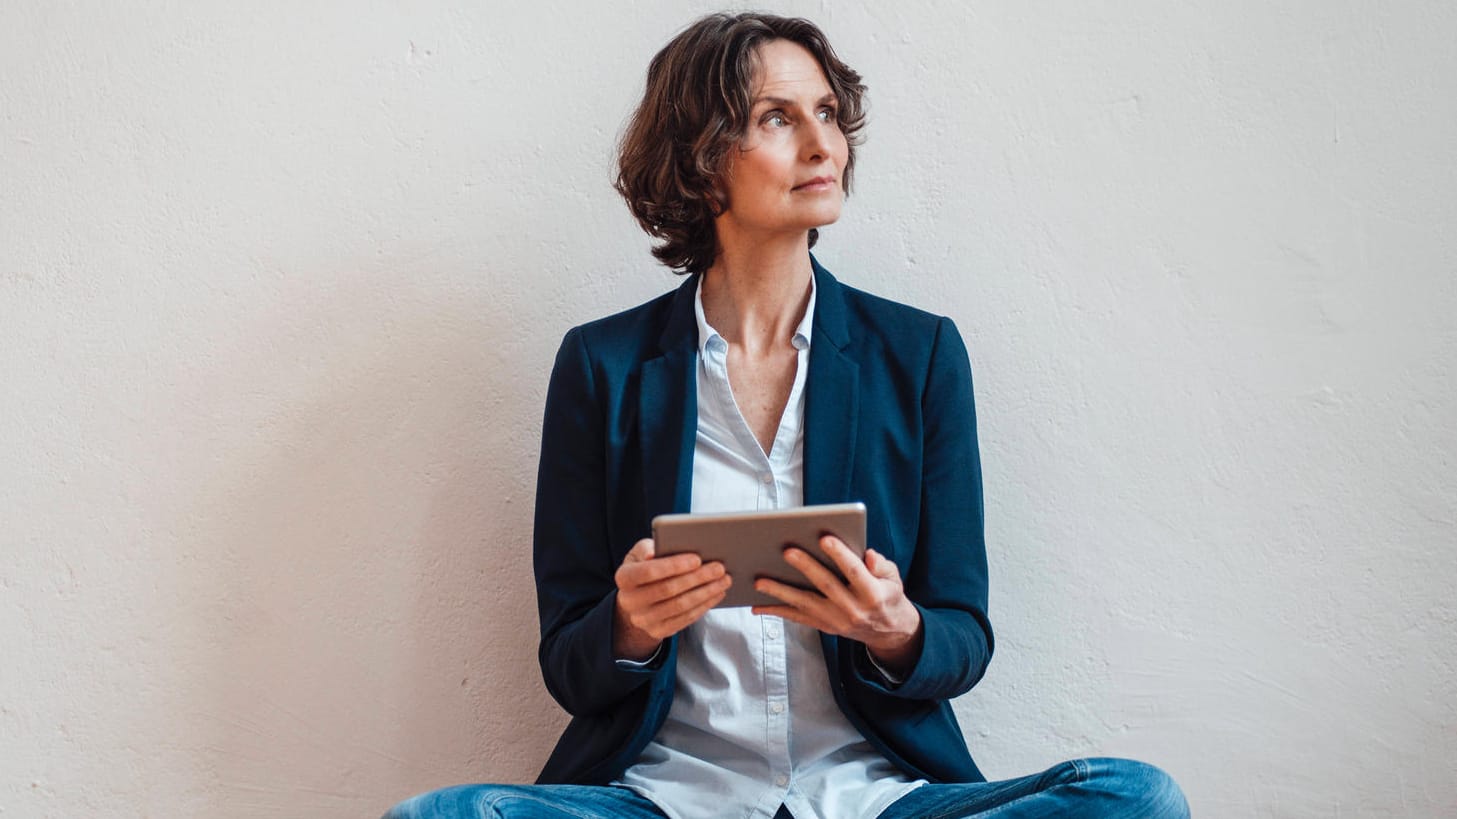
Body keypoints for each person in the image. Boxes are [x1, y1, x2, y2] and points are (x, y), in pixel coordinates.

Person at [383, 12, 1189, 819]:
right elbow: (568, 663)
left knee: (1136, 798)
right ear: (702, 160)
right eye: (777, 117)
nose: (822, 145)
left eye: (828, 114)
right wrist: (628, 624)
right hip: (666, 796)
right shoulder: (603, 366)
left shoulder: (919, 355)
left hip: (873, 795)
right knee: (435, 818)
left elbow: (963, 639)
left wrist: (893, 628)